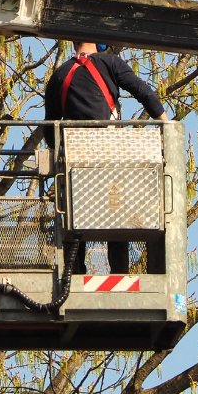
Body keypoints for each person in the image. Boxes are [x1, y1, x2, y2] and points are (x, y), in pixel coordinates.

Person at [45, 41, 170, 274]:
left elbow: (49, 125)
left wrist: (57, 156)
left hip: (76, 157)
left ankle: (75, 273)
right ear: (100, 44)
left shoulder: (59, 75)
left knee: (75, 216)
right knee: (117, 215)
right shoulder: (111, 63)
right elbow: (142, 91)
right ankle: (119, 272)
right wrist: (167, 124)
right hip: (110, 151)